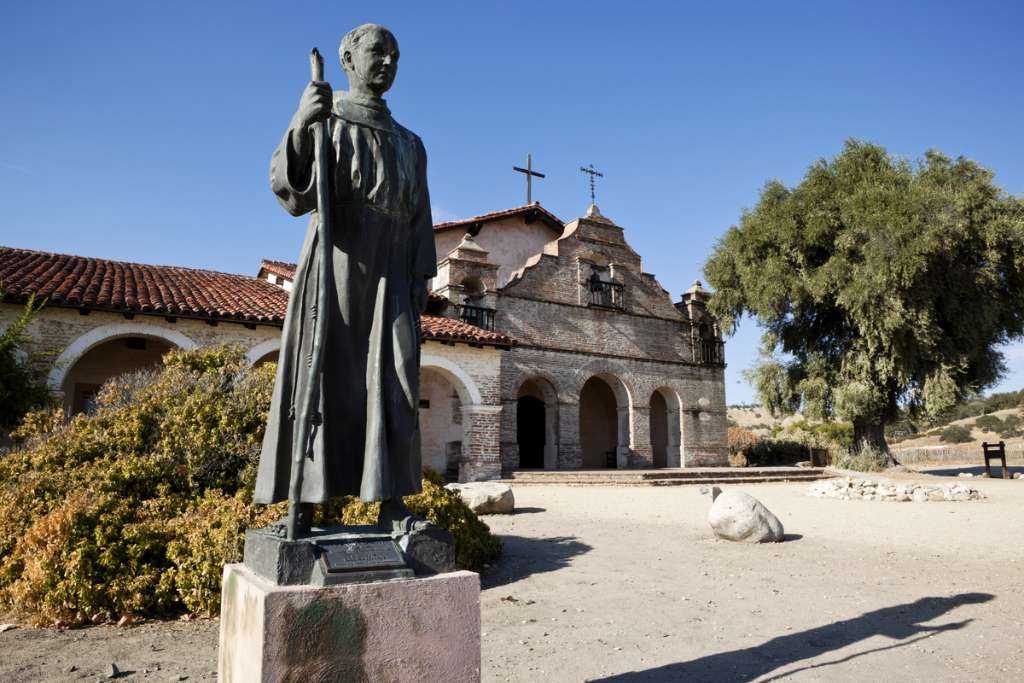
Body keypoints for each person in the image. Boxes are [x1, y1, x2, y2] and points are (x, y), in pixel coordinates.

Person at [253, 24, 436, 535]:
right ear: (348, 59)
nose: (388, 62)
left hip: (392, 274)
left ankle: (392, 501)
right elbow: (292, 193)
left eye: (395, 54)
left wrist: (421, 277)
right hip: (336, 265)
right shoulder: (325, 121)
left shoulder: (412, 144)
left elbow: (420, 217)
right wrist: (299, 122)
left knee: (395, 378)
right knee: (324, 372)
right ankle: (305, 502)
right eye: (378, 51)